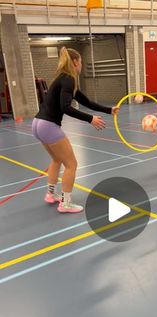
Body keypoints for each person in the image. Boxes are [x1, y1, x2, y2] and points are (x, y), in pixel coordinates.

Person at [32, 47, 119, 213]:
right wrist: (90, 119)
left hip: (38, 123)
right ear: (75, 62)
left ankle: (51, 195)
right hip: (49, 125)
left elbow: (87, 102)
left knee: (57, 160)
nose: (82, 66)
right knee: (71, 164)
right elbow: (65, 107)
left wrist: (109, 110)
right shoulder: (68, 80)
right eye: (81, 62)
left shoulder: (64, 79)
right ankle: (65, 203)